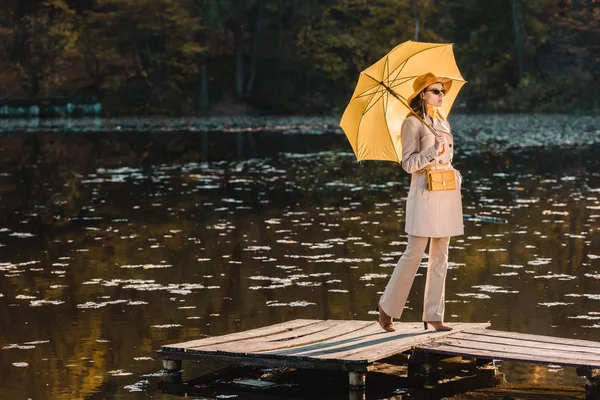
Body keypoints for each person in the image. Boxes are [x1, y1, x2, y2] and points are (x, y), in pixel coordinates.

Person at [376, 72, 464, 332]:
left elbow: (446, 159)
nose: (441, 95)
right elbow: (407, 164)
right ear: (422, 94)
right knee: (414, 252)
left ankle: (434, 316)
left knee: (441, 255)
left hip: (446, 192)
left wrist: (453, 172)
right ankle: (387, 308)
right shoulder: (411, 123)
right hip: (424, 192)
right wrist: (431, 152)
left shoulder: (442, 122)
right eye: (435, 91)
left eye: (442, 91)